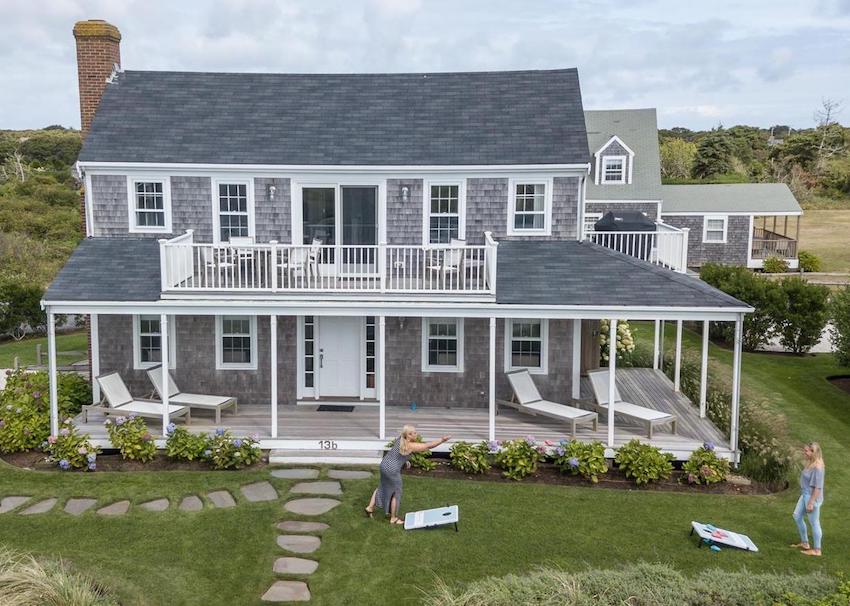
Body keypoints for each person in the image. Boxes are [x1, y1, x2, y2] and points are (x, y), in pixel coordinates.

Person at [365, 425, 450, 525]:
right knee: (396, 493)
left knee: (382, 486)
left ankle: (370, 508)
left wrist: (405, 461)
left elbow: (398, 454)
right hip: (392, 470)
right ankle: (393, 518)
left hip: (384, 465)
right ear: (409, 435)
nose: (416, 434)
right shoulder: (410, 445)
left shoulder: (400, 439)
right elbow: (428, 446)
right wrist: (442, 440)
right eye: (414, 433)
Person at [791, 442, 825, 556]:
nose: (804, 453)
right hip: (805, 494)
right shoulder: (810, 462)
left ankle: (817, 550)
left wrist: (811, 502)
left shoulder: (818, 467)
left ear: (813, 452)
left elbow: (818, 488)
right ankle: (805, 543)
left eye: (807, 451)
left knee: (814, 523)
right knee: (797, 516)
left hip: (812, 497)